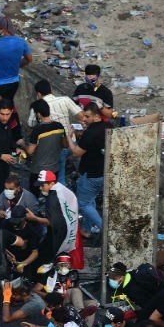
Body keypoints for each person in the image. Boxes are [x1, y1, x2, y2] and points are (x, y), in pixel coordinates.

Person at [68, 103, 109, 240]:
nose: (84, 119)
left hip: (91, 175)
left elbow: (75, 153)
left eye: (87, 116)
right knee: (90, 201)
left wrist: (69, 136)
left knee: (84, 204)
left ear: (96, 116)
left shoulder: (91, 133)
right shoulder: (108, 126)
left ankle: (105, 229)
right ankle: (86, 229)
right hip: (106, 172)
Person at [0, 17, 31, 101]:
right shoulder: (21, 42)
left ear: (3, 29)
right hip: (14, 82)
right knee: (8, 105)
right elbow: (29, 59)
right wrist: (17, 64)